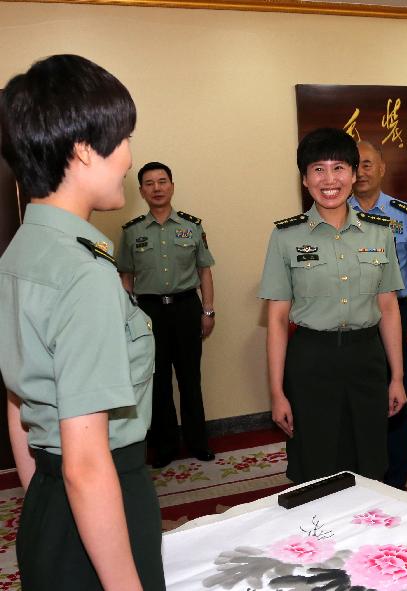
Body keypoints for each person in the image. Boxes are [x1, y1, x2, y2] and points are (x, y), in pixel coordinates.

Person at [0, 54, 165, 590]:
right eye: (122, 140)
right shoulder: (83, 272)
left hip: (50, 507)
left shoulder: (20, 254)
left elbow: (17, 404)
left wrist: (48, 506)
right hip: (102, 501)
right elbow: (88, 464)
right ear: (82, 150)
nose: (128, 157)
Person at [258, 127, 406, 484]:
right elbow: (276, 320)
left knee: (370, 459)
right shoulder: (285, 236)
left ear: (355, 175)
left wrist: (397, 377)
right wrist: (277, 392)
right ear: (305, 179)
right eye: (318, 169)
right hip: (312, 360)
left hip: (366, 358)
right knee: (316, 461)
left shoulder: (379, 231)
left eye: (339, 168)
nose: (329, 179)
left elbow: (387, 307)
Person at [118, 161, 216, 468]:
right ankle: (164, 446)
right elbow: (126, 279)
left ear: (172, 186)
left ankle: (198, 442)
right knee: (157, 380)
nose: (157, 188)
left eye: (162, 182)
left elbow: (204, 272)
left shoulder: (192, 226)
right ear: (141, 191)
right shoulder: (132, 232)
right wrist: (128, 318)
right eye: (150, 183)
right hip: (149, 312)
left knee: (190, 378)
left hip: (187, 307)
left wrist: (208, 310)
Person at [349, 141, 407, 489]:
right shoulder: (335, 211)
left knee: (395, 392)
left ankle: (396, 475)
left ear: (382, 168)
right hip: (352, 314)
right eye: (356, 165)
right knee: (356, 394)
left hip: (396, 312)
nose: (362, 171)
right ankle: (361, 469)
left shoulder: (404, 213)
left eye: (368, 164)